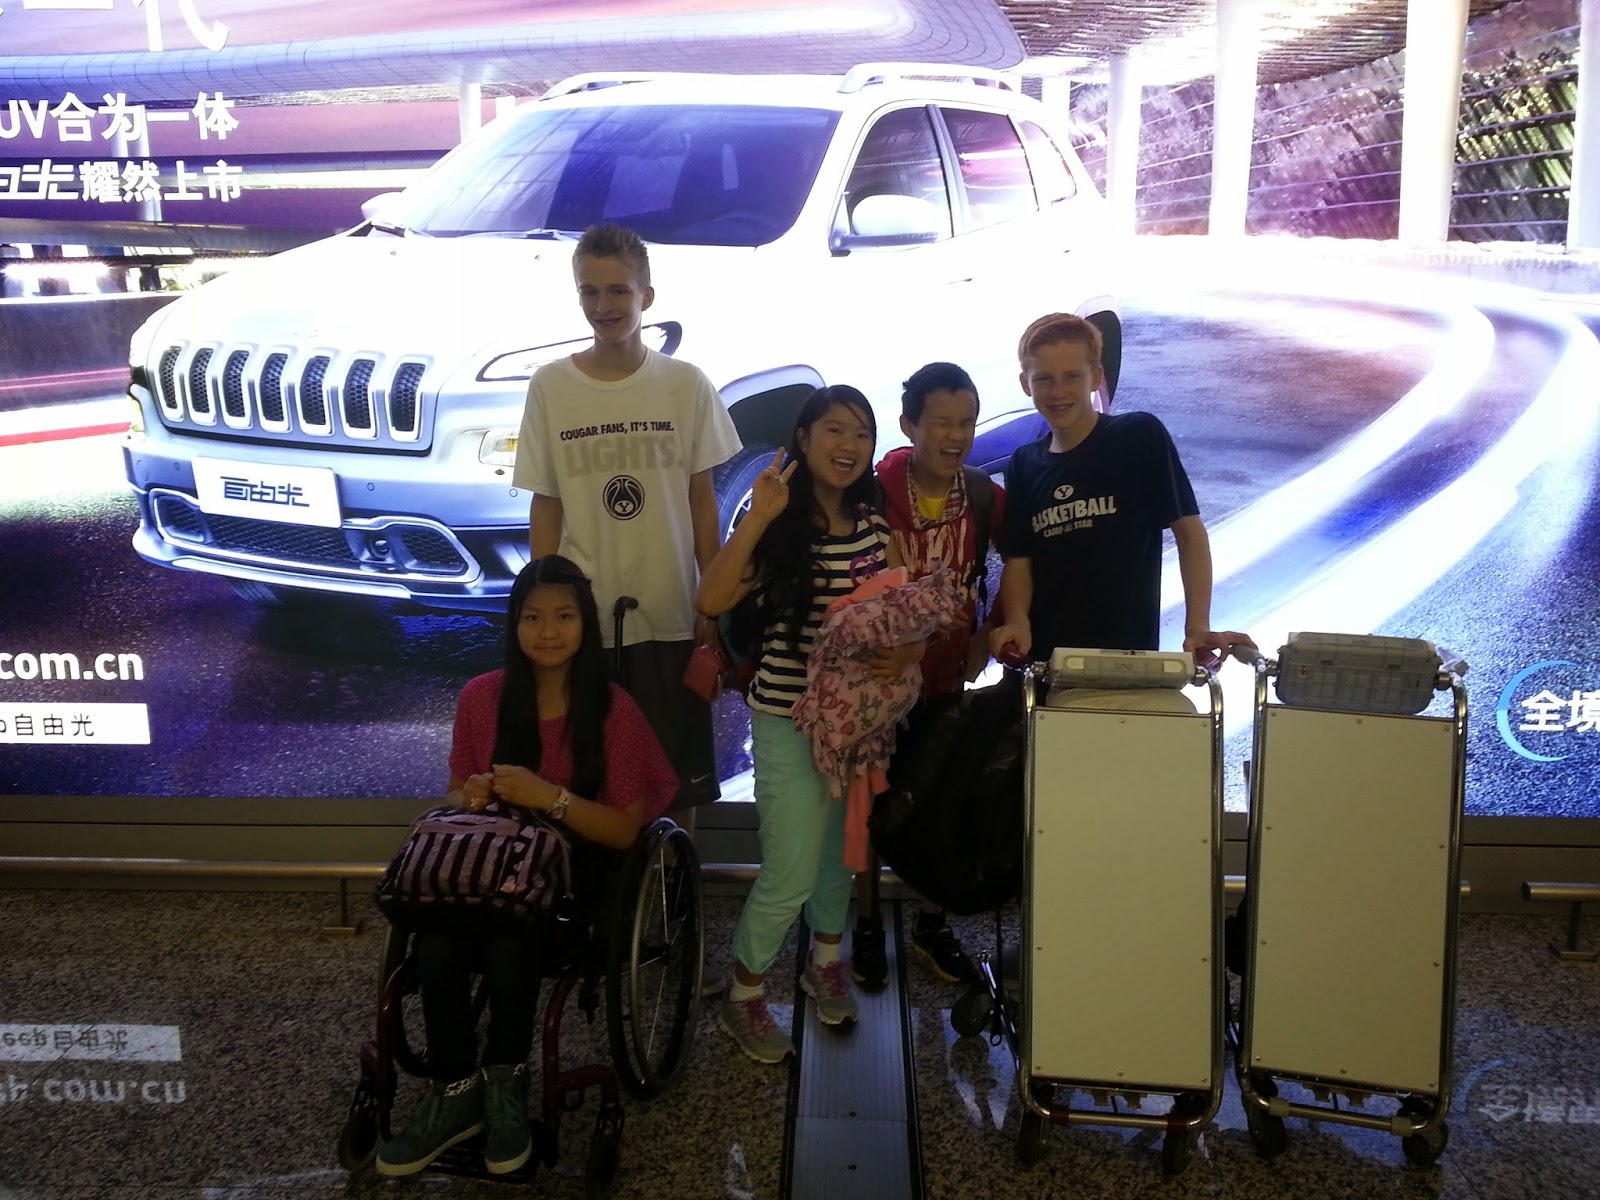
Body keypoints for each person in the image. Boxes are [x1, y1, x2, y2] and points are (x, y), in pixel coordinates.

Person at [376, 556, 678, 1178]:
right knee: (439, 932)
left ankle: (506, 1081)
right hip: (489, 862)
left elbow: (625, 829)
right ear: (514, 624)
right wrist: (473, 795)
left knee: (513, 932)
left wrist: (551, 799)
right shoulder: (481, 697)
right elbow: (456, 791)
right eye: (533, 617)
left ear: (585, 625)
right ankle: (455, 1089)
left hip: (576, 876)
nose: (548, 632)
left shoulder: (613, 710)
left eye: (564, 617)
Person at [695, 386, 914, 1063]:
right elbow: (711, 597)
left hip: (854, 728)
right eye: (834, 430)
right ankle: (744, 996)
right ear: (804, 438)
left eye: (861, 433)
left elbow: (903, 614)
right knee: (789, 871)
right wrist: (759, 517)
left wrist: (906, 651)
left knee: (836, 859)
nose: (849, 445)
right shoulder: (779, 529)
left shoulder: (875, 532)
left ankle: (825, 964)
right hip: (787, 722)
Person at [513, 223, 742, 816]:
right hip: (585, 620)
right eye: (590, 292)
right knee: (589, 783)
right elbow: (546, 502)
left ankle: (675, 874)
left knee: (674, 787)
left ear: (647, 295)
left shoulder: (685, 384)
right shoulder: (551, 386)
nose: (604, 306)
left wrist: (711, 605)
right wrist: (544, 609)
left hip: (670, 613)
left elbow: (701, 500)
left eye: (618, 290)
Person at [859, 361, 1007, 987]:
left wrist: (988, 631)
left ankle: (931, 922)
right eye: (941, 422)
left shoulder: (982, 494)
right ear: (908, 425)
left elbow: (1023, 561)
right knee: (870, 800)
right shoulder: (875, 492)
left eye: (967, 422)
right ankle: (865, 921)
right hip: (876, 678)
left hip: (945, 678)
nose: (956, 435)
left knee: (939, 791)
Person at [989, 313, 1241, 666]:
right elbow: (1019, 561)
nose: (1058, 392)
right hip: (1047, 665)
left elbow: (1189, 533)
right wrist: (1017, 621)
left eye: (1072, 376)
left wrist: (1197, 625)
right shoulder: (1023, 463)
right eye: (1044, 378)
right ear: (1025, 384)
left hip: (1129, 662)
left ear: (1096, 377)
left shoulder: (1138, 436)